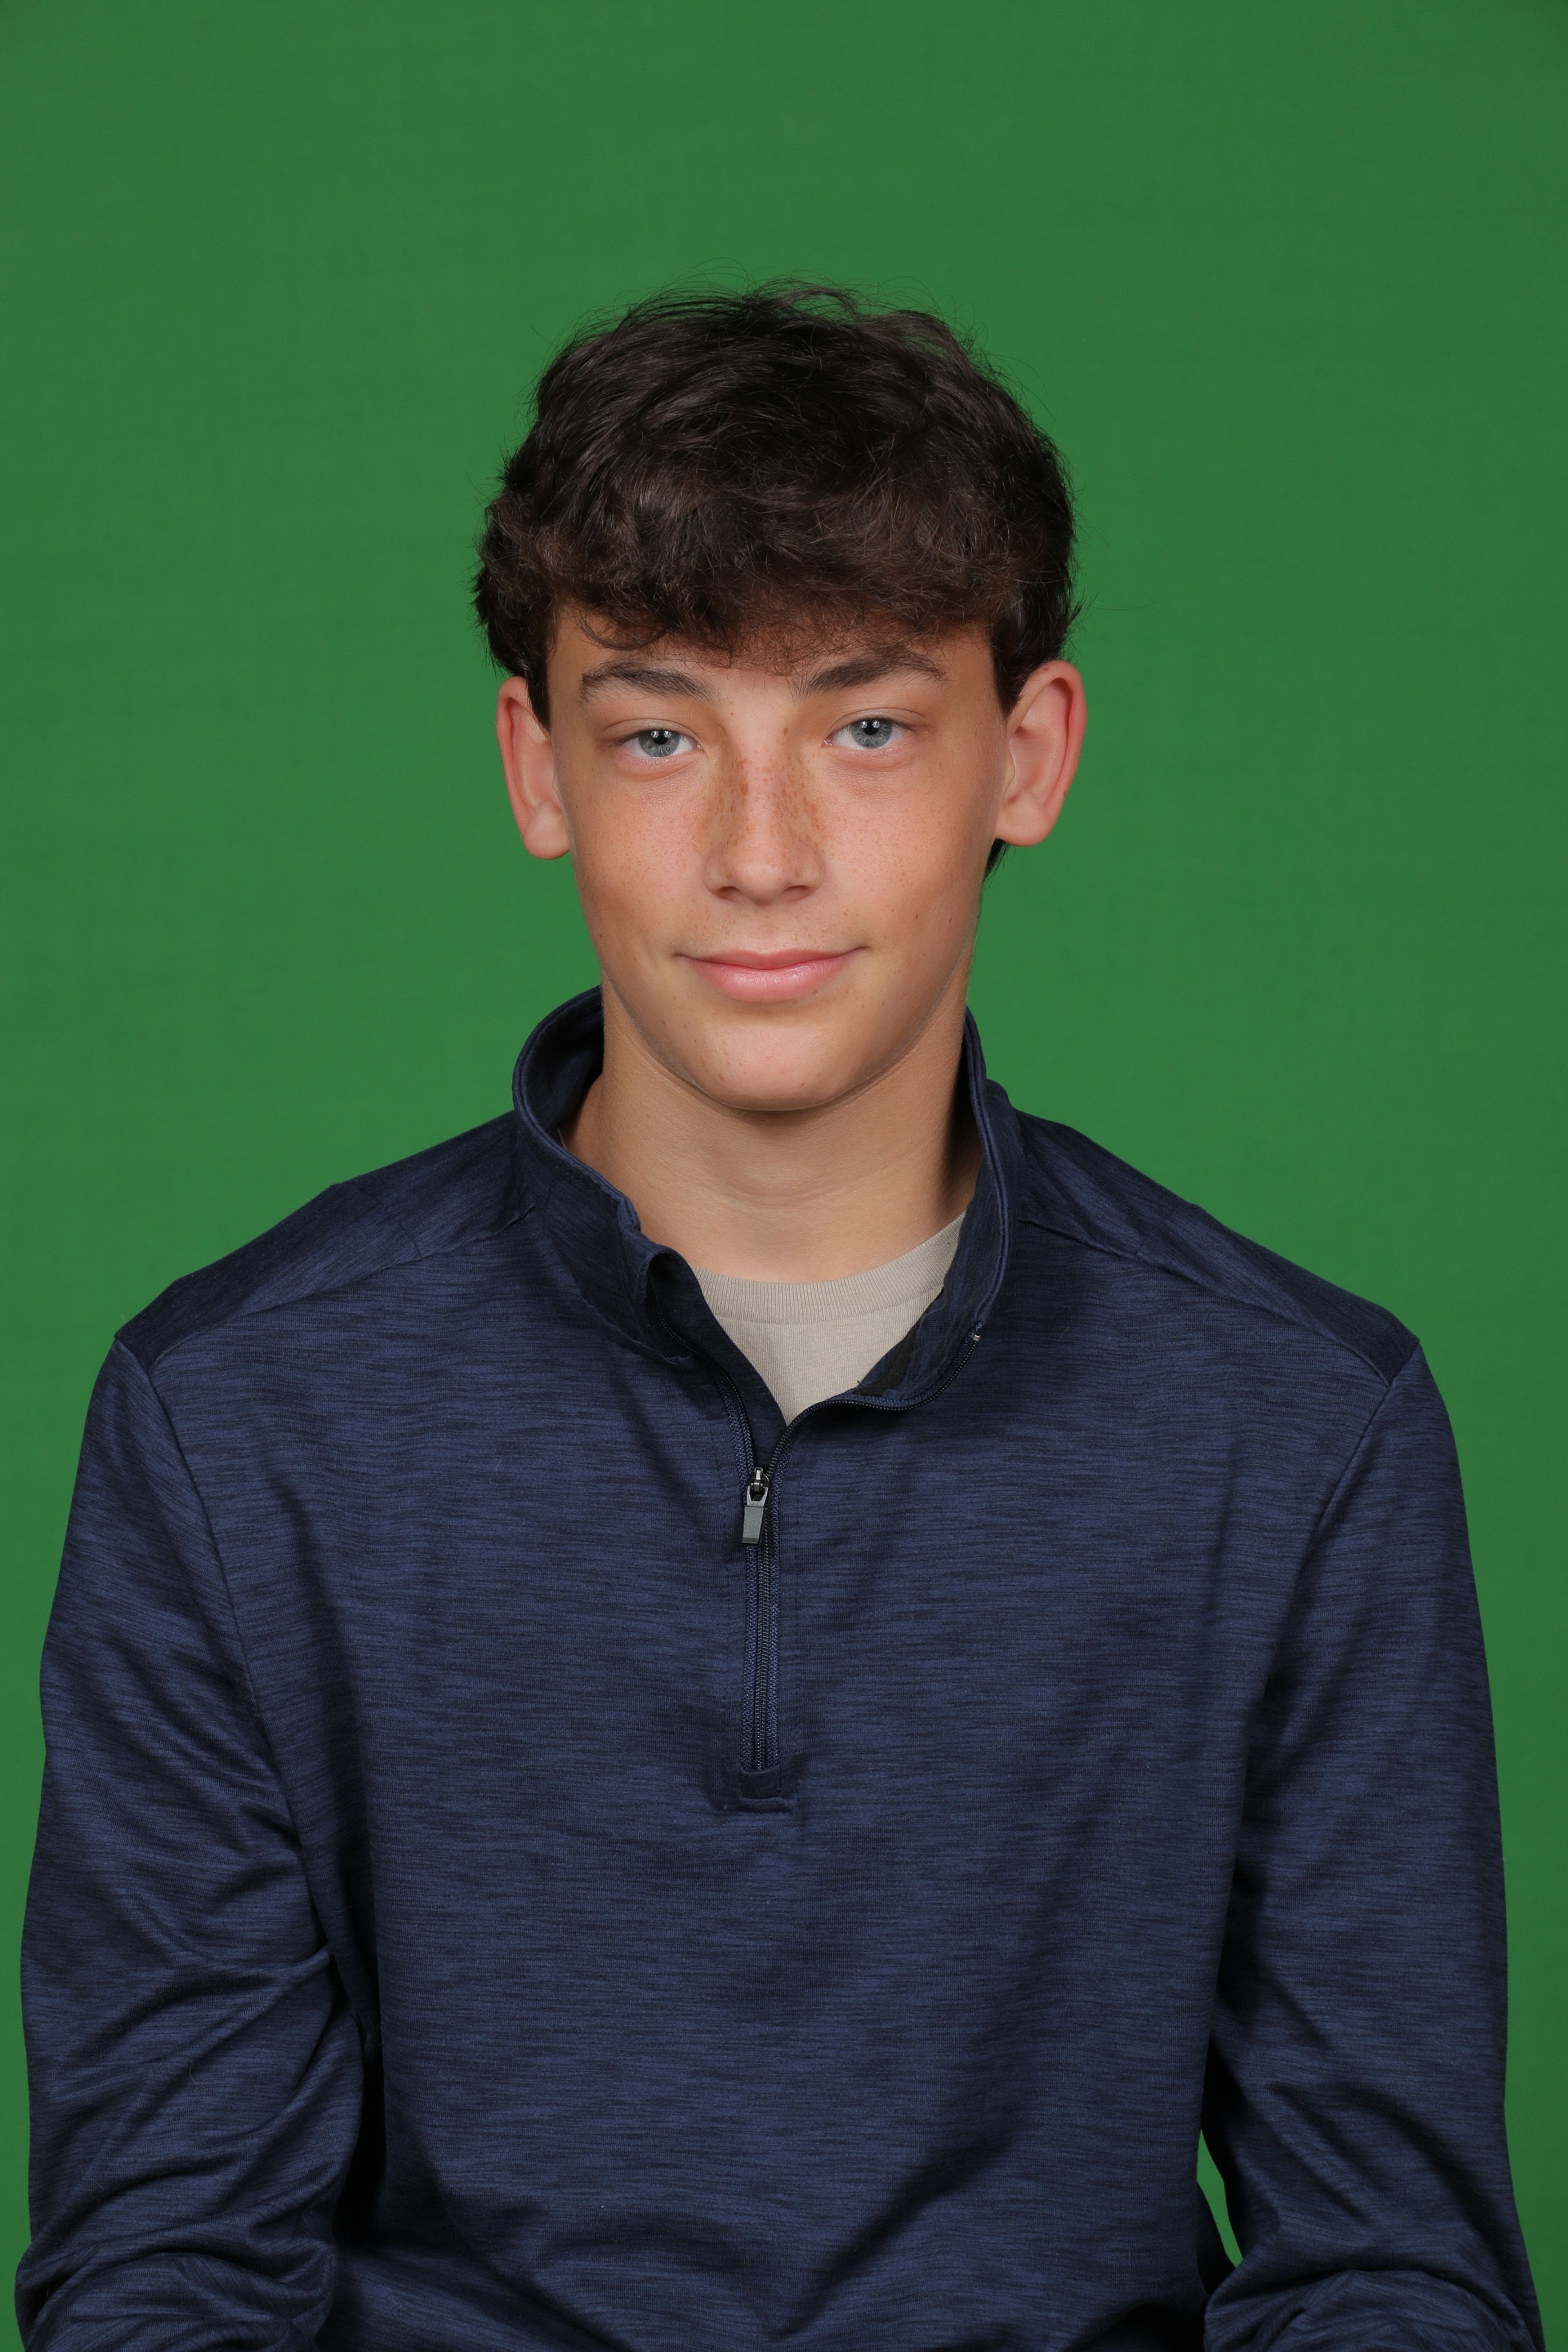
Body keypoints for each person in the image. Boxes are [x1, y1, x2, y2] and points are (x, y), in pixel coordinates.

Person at [17, 285, 1541, 2352]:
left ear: (1029, 755)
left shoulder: (1301, 1428)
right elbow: (161, 2271)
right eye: (660, 734)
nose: (761, 853)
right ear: (537, 768)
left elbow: (1392, 2272)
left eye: (867, 728)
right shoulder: (234, 1419)